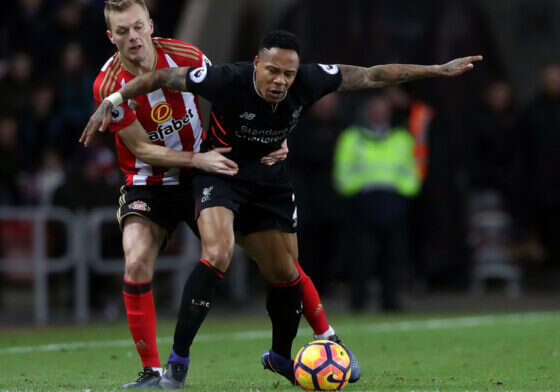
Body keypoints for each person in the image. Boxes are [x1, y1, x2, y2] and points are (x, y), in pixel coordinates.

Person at [84, 28, 481, 388]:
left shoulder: (309, 80)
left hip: (270, 182)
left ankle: (282, 354)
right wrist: (114, 99)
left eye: (287, 74)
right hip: (221, 172)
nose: (280, 81)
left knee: (286, 272)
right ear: (257, 64)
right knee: (218, 252)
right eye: (272, 71)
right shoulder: (227, 79)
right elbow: (160, 78)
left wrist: (437, 70)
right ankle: (177, 364)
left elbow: (373, 75)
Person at [82, 0, 357, 388]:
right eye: (122, 31)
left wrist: (271, 133)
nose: (133, 37)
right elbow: (142, 149)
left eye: (138, 27)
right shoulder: (108, 85)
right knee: (137, 260)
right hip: (150, 183)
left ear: (151, 25)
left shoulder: (187, 55)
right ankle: (153, 371)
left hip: (209, 174)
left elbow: (232, 94)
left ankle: (329, 337)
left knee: (278, 260)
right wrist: (199, 160)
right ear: (111, 36)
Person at [333, 93, 421, 311]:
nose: (379, 113)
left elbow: (413, 171)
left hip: (394, 202)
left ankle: (391, 301)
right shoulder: (352, 138)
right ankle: (358, 302)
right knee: (362, 256)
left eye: (383, 109)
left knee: (394, 255)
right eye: (375, 109)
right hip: (363, 202)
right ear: (366, 111)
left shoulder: (402, 138)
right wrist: (359, 188)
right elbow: (342, 174)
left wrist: (403, 191)